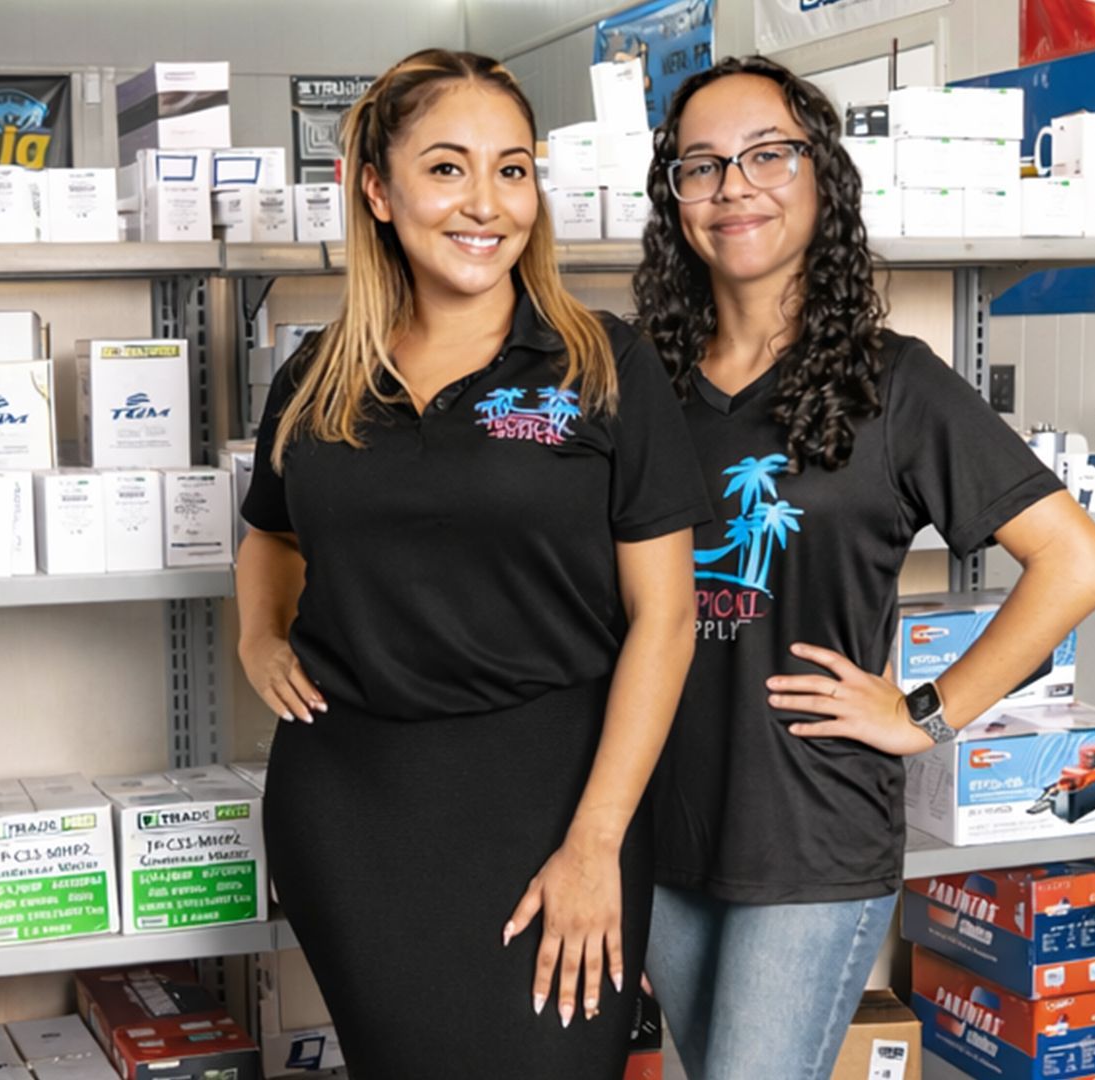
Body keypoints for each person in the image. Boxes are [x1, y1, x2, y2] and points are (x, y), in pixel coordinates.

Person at [632, 57, 1095, 1078]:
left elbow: (1076, 563)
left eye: (768, 155)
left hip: (811, 829)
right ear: (673, 196)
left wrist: (925, 714)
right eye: (702, 165)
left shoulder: (893, 385)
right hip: (659, 826)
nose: (735, 186)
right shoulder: (639, 385)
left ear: (823, 179)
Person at [236, 48, 711, 1078]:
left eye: (512, 169)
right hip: (351, 808)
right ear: (378, 189)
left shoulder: (599, 361)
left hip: (552, 801)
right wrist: (258, 633)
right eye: (447, 168)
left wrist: (595, 846)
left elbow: (666, 623)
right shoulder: (318, 373)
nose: (485, 202)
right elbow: (269, 528)